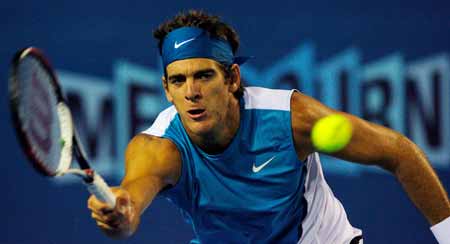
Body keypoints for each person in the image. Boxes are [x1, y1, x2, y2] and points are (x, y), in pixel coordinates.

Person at [87, 10, 450, 244]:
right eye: (178, 81)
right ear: (166, 89)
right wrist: (121, 214)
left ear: (232, 78)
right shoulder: (159, 149)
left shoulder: (292, 118)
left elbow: (398, 152)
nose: (192, 92)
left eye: (203, 76)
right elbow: (131, 202)